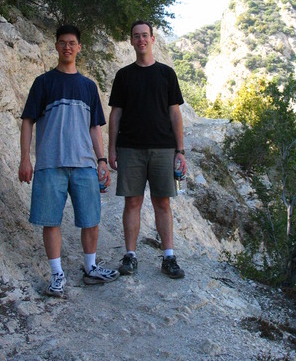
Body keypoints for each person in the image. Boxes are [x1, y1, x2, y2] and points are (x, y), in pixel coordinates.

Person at [18, 24, 119, 297]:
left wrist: (101, 160)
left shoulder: (88, 86)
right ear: (56, 46)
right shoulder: (43, 82)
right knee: (51, 221)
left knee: (91, 219)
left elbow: (95, 127)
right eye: (62, 42)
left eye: (72, 43)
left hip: (85, 164)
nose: (67, 47)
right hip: (50, 163)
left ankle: (90, 268)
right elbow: (28, 121)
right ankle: (57, 274)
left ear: (79, 47)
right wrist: (25, 159)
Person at [108, 20, 187, 279]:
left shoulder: (167, 74)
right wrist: (111, 148)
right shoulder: (124, 76)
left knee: (162, 202)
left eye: (145, 35)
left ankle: (169, 256)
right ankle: (130, 255)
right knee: (132, 202)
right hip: (130, 148)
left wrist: (180, 151)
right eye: (136, 36)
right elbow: (116, 114)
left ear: (152, 39)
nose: (141, 40)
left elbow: (175, 114)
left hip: (163, 148)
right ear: (131, 41)